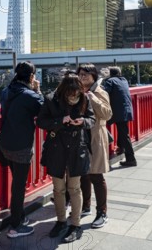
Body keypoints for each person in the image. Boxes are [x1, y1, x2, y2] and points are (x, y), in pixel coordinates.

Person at [37, 73, 95, 243]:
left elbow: (92, 119)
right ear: (63, 90)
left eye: (76, 92)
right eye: (70, 93)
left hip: (78, 147)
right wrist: (60, 120)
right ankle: (61, 221)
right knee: (58, 188)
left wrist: (82, 122)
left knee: (75, 188)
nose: (74, 96)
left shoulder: (85, 98)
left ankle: (75, 225)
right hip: (57, 148)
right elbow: (40, 122)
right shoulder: (51, 99)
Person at [0, 61, 44, 239]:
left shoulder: (6, 91)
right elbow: (44, 110)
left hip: (5, 144)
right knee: (19, 187)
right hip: (21, 146)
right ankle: (15, 226)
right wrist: (37, 90)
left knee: (16, 183)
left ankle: (20, 217)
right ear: (32, 76)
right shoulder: (29, 95)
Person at [77, 63, 112, 229]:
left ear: (94, 76)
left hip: (95, 137)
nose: (82, 77)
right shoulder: (76, 90)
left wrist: (92, 97)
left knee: (96, 176)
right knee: (83, 174)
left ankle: (102, 212)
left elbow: (107, 113)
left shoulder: (99, 91)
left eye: (86, 74)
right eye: (80, 74)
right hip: (80, 137)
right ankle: (86, 206)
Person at [102, 66, 137, 167]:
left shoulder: (110, 81)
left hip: (119, 111)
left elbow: (104, 93)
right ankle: (120, 149)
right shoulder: (124, 80)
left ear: (110, 74)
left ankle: (131, 159)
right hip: (127, 110)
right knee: (123, 131)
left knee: (124, 134)